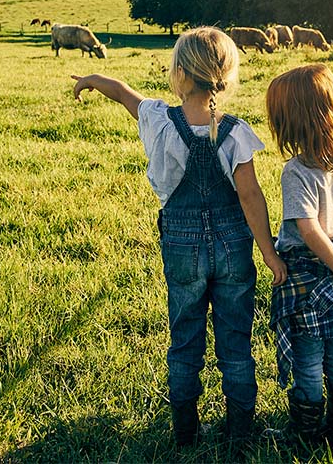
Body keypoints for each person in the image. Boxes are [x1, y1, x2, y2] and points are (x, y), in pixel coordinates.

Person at [70, 26, 287, 449]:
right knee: (236, 342)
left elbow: (123, 93)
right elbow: (250, 195)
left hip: (182, 245)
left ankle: (185, 432)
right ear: (225, 74)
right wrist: (270, 254)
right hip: (233, 246)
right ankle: (241, 433)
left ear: (180, 74)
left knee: (185, 338)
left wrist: (91, 81)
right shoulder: (236, 131)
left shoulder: (158, 118)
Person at [263, 64, 333, 448]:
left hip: (309, 272)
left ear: (291, 122)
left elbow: (308, 230)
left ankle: (306, 431)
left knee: (309, 355)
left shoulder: (296, 171)